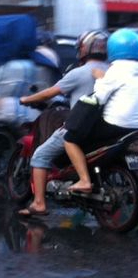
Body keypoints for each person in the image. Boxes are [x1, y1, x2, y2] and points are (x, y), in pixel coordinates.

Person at [17, 30, 109, 217]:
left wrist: (26, 99)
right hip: (106, 128)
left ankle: (39, 203)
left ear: (84, 49)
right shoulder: (113, 71)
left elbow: (49, 93)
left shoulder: (79, 72)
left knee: (40, 155)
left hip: (81, 127)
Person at [62, 28, 138, 194]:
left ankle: (84, 180)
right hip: (135, 128)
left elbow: (99, 97)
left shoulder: (116, 70)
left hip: (116, 124)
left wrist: (99, 78)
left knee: (70, 139)